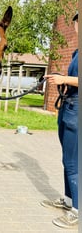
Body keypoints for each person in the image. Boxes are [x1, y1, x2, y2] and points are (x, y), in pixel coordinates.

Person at [41, 12, 79, 229]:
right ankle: (68, 200)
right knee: (67, 159)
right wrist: (60, 79)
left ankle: (78, 210)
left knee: (75, 163)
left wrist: (64, 79)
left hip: (77, 111)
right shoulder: (76, 52)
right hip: (69, 107)